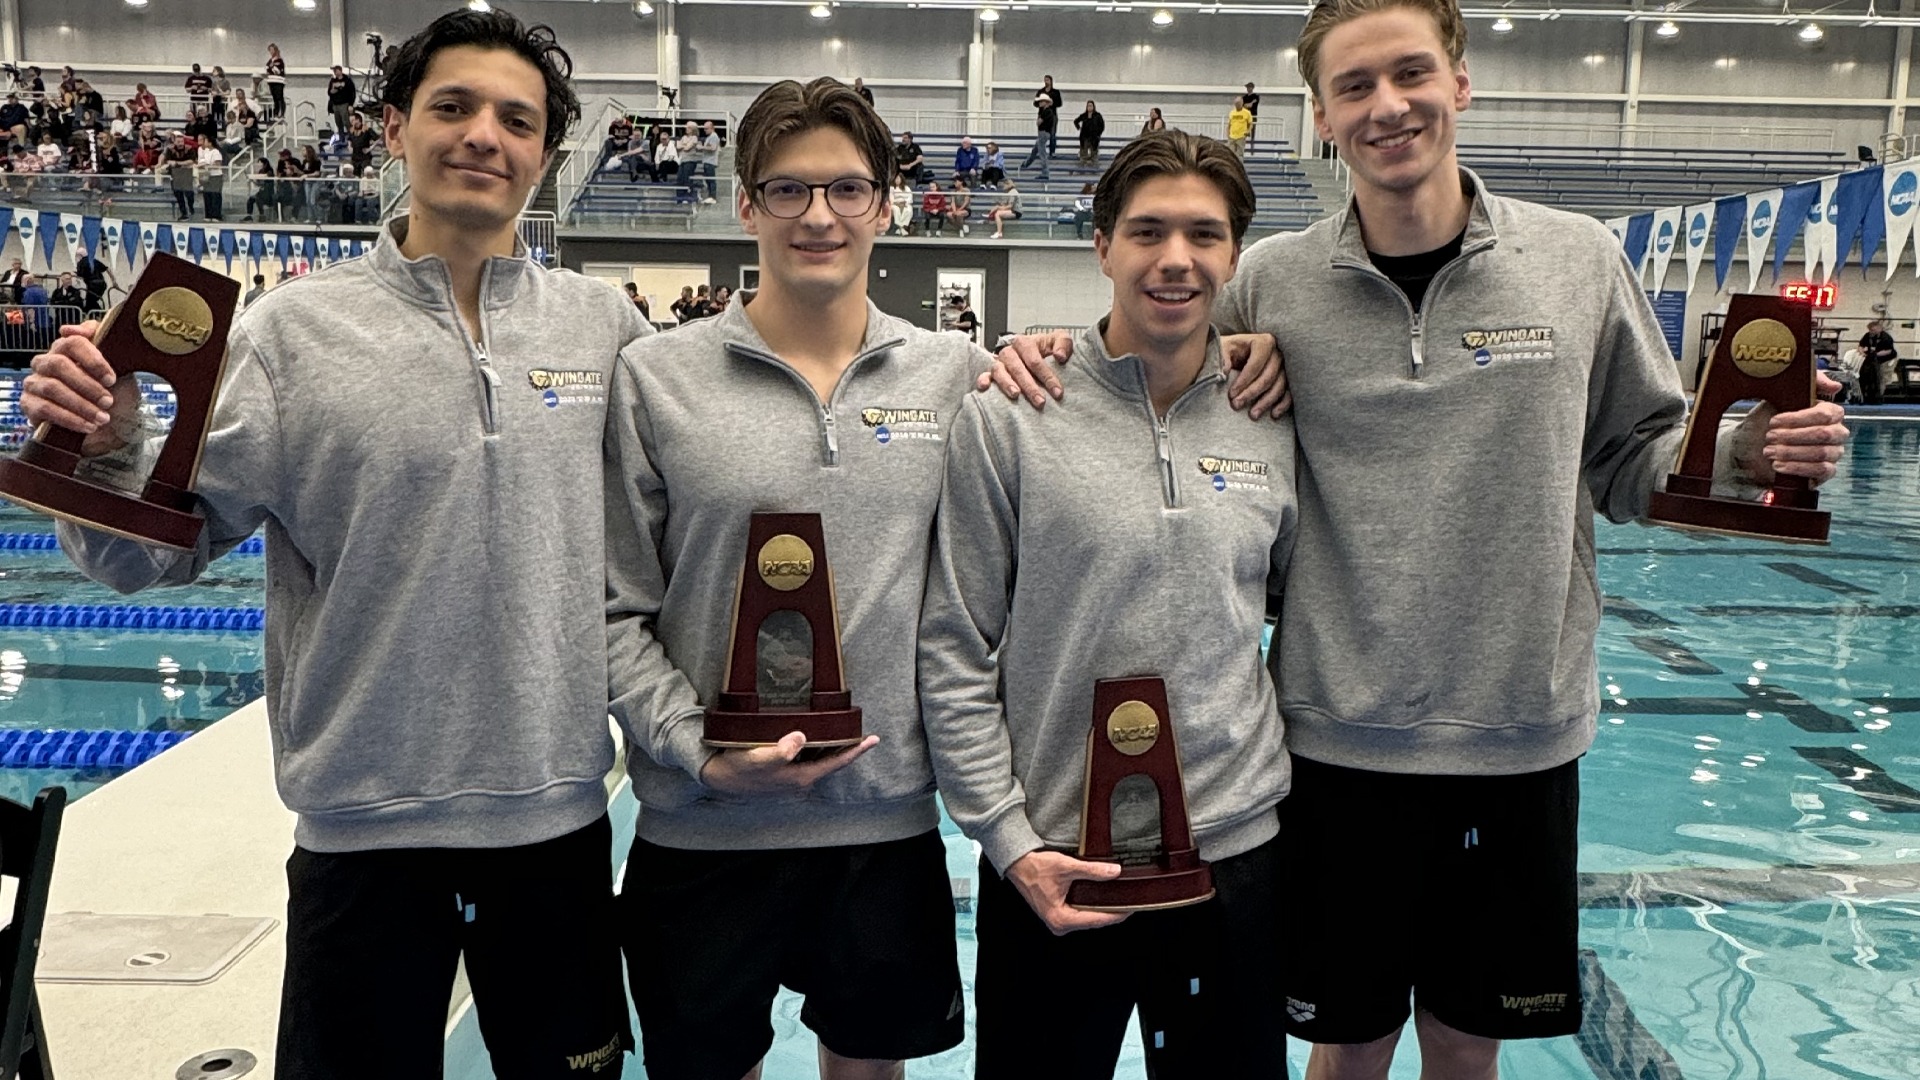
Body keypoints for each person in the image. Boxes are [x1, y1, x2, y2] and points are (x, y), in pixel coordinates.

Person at [987, 2, 1851, 1078]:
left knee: (1467, 1040)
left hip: (1519, 737)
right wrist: (1042, 354)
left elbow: (1633, 461)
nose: (1388, 106)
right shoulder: (1274, 282)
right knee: (1346, 1046)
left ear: (1461, 82)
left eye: (1409, 75)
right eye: (1356, 86)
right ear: (1320, 116)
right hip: (1335, 745)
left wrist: (1744, 454)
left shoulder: (1576, 261)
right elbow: (1156, 369)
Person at [18, 10, 649, 1077]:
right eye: (452, 107)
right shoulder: (288, 338)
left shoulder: (606, 328)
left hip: (554, 825)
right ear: (395, 128)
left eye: (516, 118)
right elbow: (145, 559)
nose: (482, 136)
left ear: (546, 152)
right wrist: (104, 451)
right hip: (362, 840)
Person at [604, 75, 1015, 1080]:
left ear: (885, 204)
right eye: (787, 190)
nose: (818, 215)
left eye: (845, 189)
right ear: (746, 205)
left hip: (883, 823)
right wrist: (697, 751)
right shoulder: (658, 379)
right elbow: (611, 608)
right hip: (701, 834)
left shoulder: (957, 378)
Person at [920, 127, 1293, 1080]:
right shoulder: (1012, 413)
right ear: (1101, 247)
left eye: (1205, 236)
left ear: (1235, 255)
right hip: (1055, 862)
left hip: (1231, 857)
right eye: (1148, 232)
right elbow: (955, 643)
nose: (1177, 259)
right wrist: (1007, 840)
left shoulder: (1276, 414)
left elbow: (1306, 609)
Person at [1021, 78, 1059, 180]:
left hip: (1043, 133)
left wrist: (1039, 121)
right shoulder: (1047, 112)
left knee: (1042, 153)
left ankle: (1045, 172)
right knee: (1035, 150)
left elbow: (1039, 122)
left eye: (1042, 101)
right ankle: (1026, 163)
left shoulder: (1047, 112)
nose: (1040, 103)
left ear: (1046, 102)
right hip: (1044, 133)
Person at [1859, 319, 1895, 404]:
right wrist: (1862, 353)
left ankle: (1879, 397)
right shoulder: (1868, 335)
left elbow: (1889, 351)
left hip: (1887, 358)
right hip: (1873, 358)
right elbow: (1861, 346)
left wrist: (1876, 354)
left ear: (1880, 329)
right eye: (1870, 330)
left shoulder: (1886, 337)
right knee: (1867, 374)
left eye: (1874, 330)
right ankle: (1866, 396)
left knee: (1881, 376)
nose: (1872, 332)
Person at [197, 135, 225, 221]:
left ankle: (216, 215)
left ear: (210, 142)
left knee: (215, 195)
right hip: (207, 175)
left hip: (216, 176)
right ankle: (208, 214)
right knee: (207, 195)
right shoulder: (206, 151)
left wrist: (208, 166)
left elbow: (217, 164)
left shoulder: (216, 152)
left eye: (205, 141)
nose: (204, 143)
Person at [327, 64, 358, 136]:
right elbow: (329, 92)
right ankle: (341, 138)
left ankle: (351, 137)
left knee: (346, 121)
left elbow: (352, 93)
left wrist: (351, 104)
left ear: (340, 71)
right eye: (334, 71)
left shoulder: (347, 80)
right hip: (335, 104)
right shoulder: (333, 81)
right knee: (338, 122)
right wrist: (333, 90)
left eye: (337, 70)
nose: (336, 72)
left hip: (344, 104)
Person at [1073, 99, 1104, 167]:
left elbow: (1102, 125)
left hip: (1094, 138)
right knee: (1083, 155)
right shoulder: (1084, 115)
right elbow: (1076, 121)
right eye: (1088, 106)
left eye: (1091, 106)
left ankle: (1095, 169)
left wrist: (1098, 133)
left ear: (1093, 106)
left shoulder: (1098, 115)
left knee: (1094, 155)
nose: (1089, 107)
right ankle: (1081, 169)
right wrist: (1079, 128)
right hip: (1084, 137)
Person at [263, 43, 287, 122]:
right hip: (271, 81)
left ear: (276, 50)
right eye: (269, 50)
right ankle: (276, 113)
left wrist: (271, 67)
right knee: (275, 99)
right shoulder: (270, 61)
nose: (271, 51)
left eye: (272, 50)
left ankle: (281, 114)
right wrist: (270, 68)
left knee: (279, 97)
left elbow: (277, 71)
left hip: (278, 81)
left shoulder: (279, 60)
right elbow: (267, 69)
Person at [889, 171, 914, 236]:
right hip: (895, 204)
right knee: (896, 210)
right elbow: (891, 198)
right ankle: (902, 229)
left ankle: (900, 229)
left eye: (898, 179)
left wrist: (905, 202)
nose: (896, 180)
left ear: (901, 179)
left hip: (905, 203)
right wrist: (896, 203)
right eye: (895, 179)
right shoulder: (892, 188)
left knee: (908, 210)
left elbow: (910, 197)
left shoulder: (906, 188)